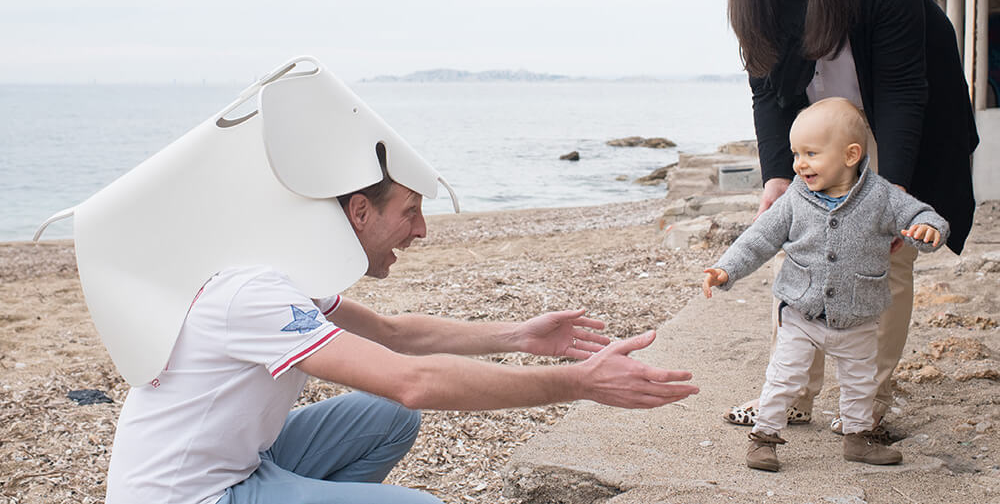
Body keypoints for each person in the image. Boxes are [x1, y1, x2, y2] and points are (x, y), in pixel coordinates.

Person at [98, 145, 699, 502]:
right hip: (190, 495)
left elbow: (391, 334)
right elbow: (413, 379)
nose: (421, 230)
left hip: (242, 461)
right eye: (409, 212)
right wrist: (579, 383)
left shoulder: (285, 276)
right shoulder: (251, 294)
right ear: (360, 211)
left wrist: (518, 336)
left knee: (386, 419)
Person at [723, 0, 979, 436]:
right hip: (823, 125)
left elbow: (905, 87)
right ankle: (790, 395)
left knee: (887, 256)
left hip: (904, 117)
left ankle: (867, 402)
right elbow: (767, 91)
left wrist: (899, 190)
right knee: (803, 244)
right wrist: (775, 179)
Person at [703, 98, 948, 471]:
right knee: (783, 378)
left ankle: (857, 438)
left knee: (860, 383)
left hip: (858, 314)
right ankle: (764, 438)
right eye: (796, 154)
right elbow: (759, 238)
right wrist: (726, 269)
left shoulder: (881, 197)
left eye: (811, 153)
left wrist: (929, 229)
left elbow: (918, 215)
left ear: (851, 155)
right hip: (801, 312)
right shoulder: (794, 199)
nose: (800, 164)